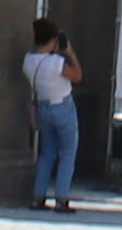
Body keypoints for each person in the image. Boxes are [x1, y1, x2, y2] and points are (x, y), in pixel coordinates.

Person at [22, 13, 80, 212]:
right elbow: (78, 76)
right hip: (62, 107)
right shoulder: (56, 63)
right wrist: (69, 53)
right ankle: (61, 198)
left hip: (43, 108)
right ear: (54, 40)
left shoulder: (28, 61)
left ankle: (38, 197)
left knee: (47, 153)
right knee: (68, 152)